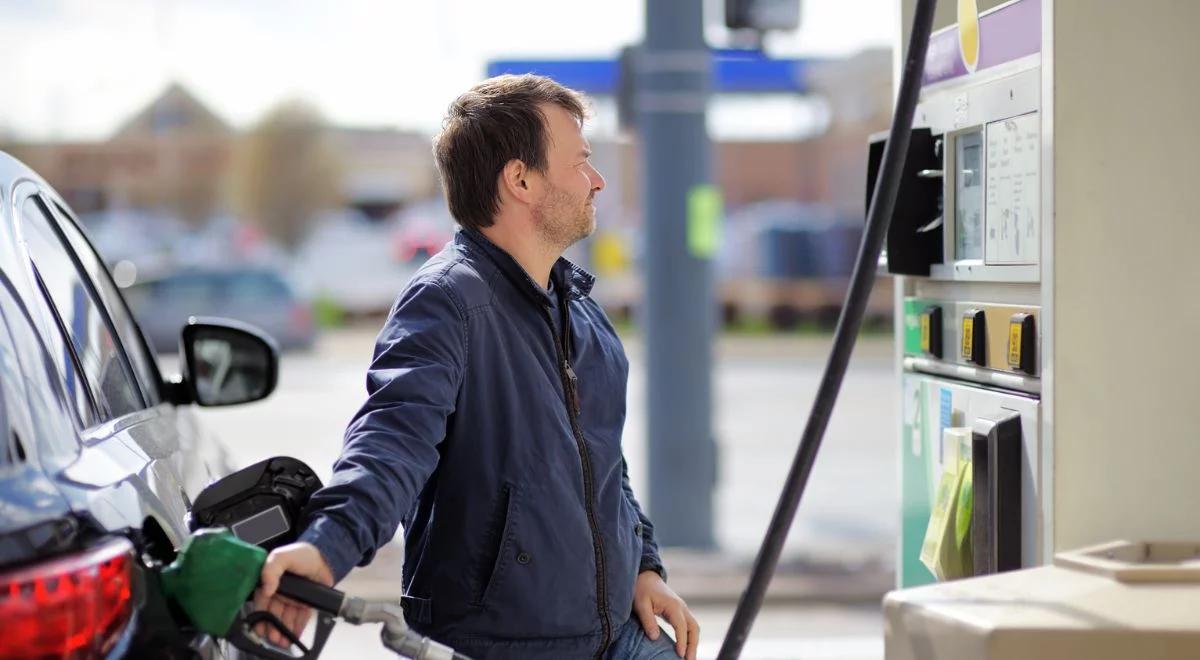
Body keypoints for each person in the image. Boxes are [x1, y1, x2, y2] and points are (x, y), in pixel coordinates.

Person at [255, 74, 699, 660]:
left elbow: (605, 468)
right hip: (501, 646)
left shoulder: (584, 314)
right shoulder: (448, 302)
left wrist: (644, 566)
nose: (597, 180)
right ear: (520, 179)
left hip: (618, 635)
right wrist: (327, 546)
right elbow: (391, 442)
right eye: (581, 162)